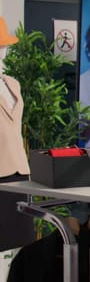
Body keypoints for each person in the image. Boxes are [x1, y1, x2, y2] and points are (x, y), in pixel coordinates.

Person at [0, 15, 33, 251]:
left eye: (3, 46)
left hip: (20, 173)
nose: (1, 52)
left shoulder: (13, 83)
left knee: (22, 242)